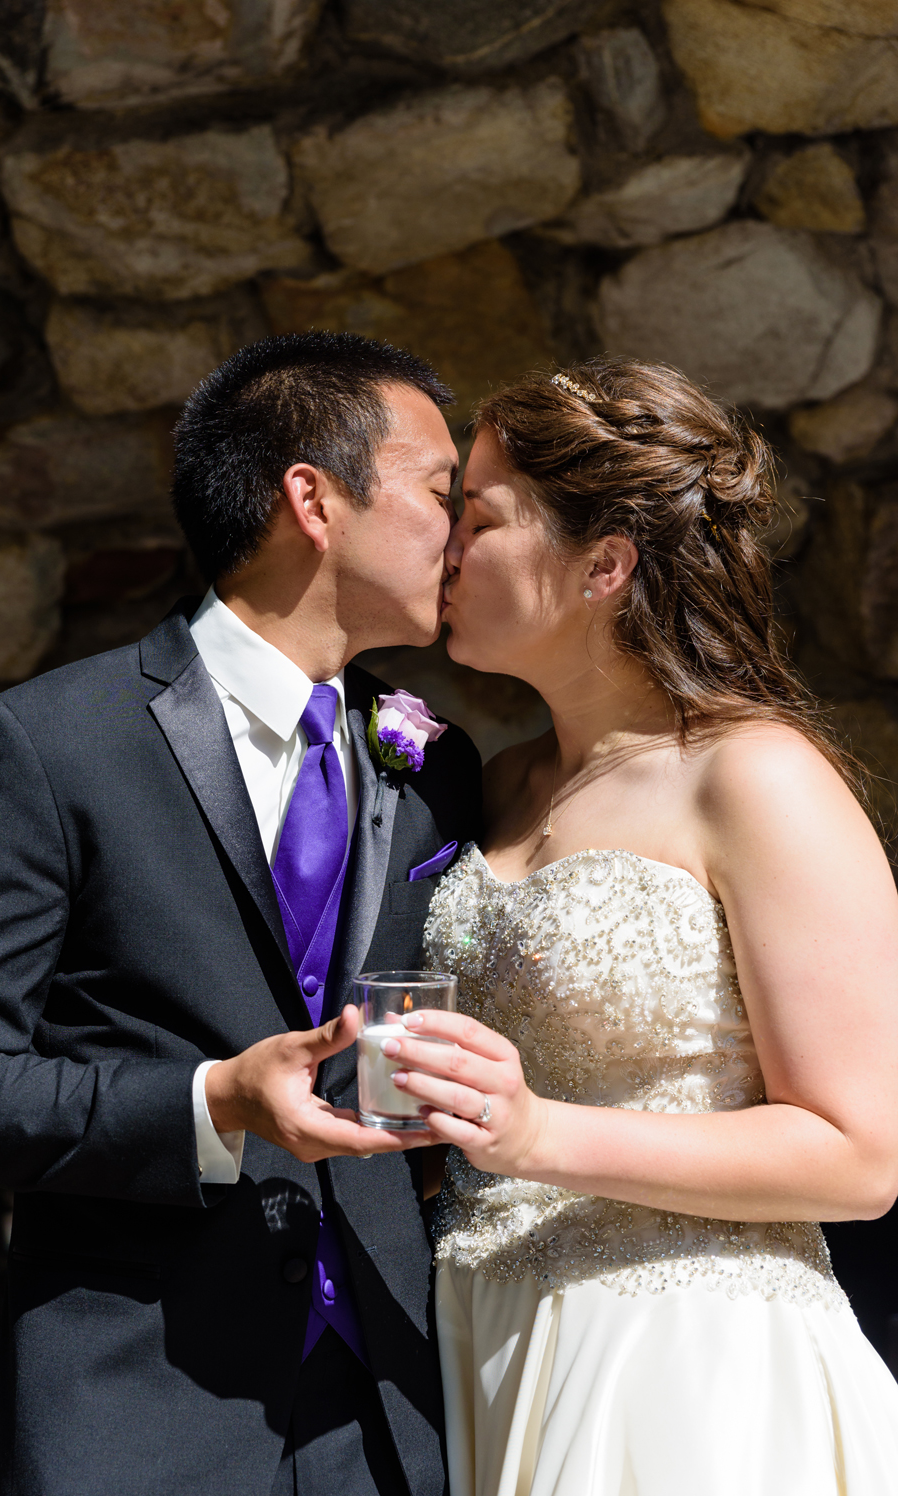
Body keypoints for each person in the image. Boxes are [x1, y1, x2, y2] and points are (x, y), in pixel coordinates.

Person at [0, 332, 483, 1495]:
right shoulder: (48, 743)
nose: (458, 532)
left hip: (395, 1413)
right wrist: (210, 1100)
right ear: (311, 499)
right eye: (437, 490)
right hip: (138, 1404)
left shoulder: (435, 764)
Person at [398, 357, 898, 1493]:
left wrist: (534, 1136)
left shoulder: (755, 777)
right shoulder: (498, 781)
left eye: (472, 517)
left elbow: (857, 1152)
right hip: (482, 1334)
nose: (444, 549)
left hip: (681, 1361)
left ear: (603, 565)